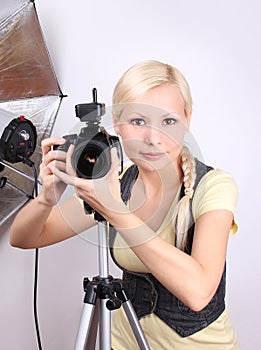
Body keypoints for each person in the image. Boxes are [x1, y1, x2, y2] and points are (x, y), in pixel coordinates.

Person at [10, 60, 239, 349]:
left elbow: (199, 292)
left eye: (168, 121)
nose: (153, 138)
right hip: (123, 342)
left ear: (187, 121)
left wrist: (114, 210)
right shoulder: (116, 183)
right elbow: (23, 238)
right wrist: (47, 197)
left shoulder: (214, 185)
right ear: (117, 124)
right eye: (138, 121)